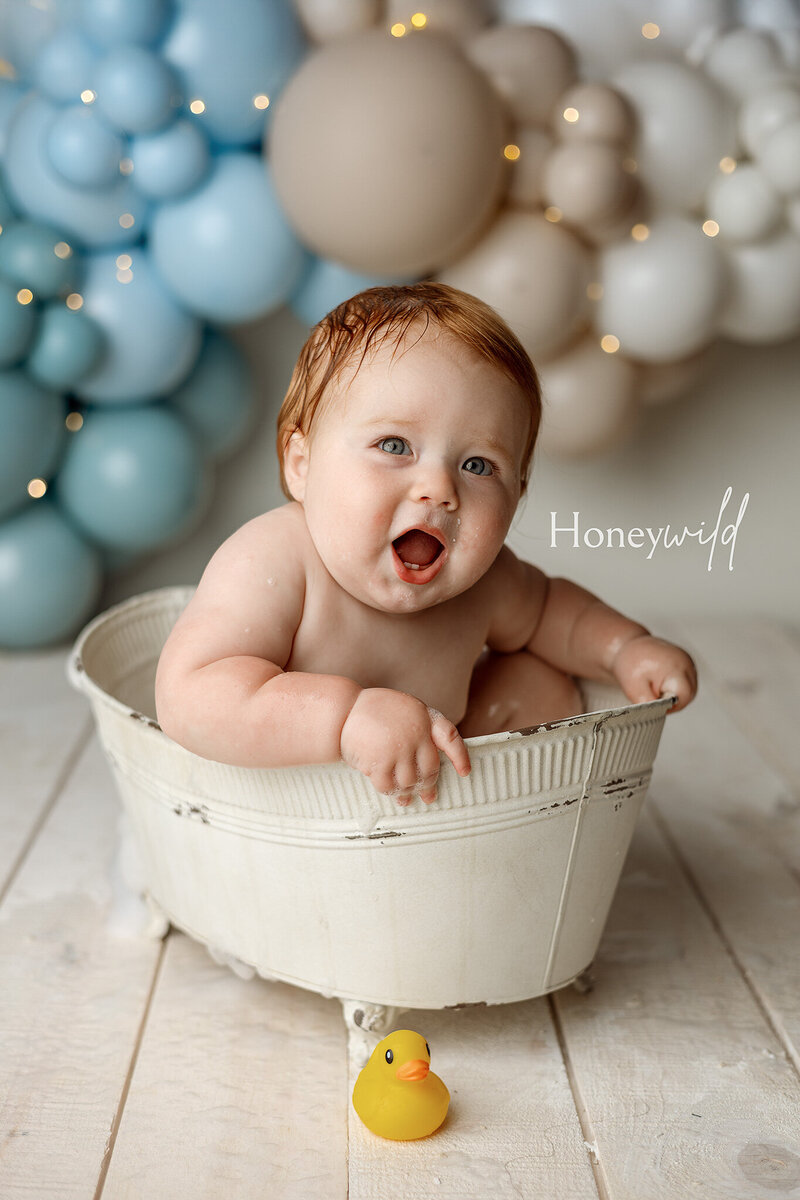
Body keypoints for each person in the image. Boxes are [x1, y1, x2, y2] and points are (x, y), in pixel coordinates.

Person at [155, 282, 696, 805]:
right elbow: (190, 697)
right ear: (302, 465)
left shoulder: (487, 585)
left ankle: (501, 822)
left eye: (479, 465)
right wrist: (344, 718)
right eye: (395, 445)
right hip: (295, 813)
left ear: (517, 495)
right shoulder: (274, 560)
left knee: (539, 681)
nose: (439, 489)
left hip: (428, 798)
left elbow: (555, 612)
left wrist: (624, 648)